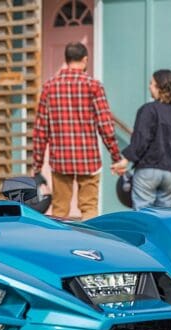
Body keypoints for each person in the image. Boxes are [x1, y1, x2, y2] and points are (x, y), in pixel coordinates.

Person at [32, 42, 127, 220]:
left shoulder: (49, 87)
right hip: (88, 159)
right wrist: (116, 156)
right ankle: (89, 245)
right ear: (85, 60)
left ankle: (59, 245)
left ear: (66, 60)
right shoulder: (94, 86)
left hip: (60, 160)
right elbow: (105, 125)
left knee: (59, 211)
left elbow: (40, 131)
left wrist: (37, 166)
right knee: (89, 209)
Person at [117, 69, 171, 210]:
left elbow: (141, 139)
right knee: (165, 216)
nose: (149, 86)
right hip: (170, 173)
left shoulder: (148, 110)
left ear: (160, 87)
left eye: (152, 84)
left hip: (147, 171)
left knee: (143, 215)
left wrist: (125, 159)